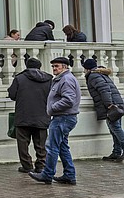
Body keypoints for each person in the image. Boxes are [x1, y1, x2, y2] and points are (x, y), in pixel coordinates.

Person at [30, 57, 81, 185]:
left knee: (52, 147)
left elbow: (69, 100)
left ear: (64, 67)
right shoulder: (63, 79)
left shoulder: (66, 79)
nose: (54, 69)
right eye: (53, 66)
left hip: (62, 118)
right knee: (63, 147)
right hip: (65, 117)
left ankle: (47, 174)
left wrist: (52, 109)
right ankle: (69, 175)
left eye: (56, 66)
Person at [7, 58, 51, 173]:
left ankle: (27, 166)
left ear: (26, 66)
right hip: (42, 115)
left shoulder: (19, 78)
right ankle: (41, 165)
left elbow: (12, 94)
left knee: (23, 144)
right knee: (41, 144)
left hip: (23, 115)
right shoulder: (48, 79)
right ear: (40, 66)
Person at [82, 58, 124, 162]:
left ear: (86, 68)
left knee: (115, 128)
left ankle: (118, 151)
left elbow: (104, 89)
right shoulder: (101, 74)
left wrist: (109, 104)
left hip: (112, 105)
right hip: (117, 103)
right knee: (114, 129)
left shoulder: (93, 76)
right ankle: (116, 152)